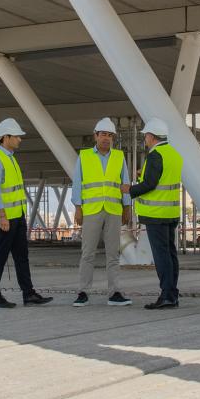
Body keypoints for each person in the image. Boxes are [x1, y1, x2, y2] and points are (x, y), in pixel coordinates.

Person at [0, 118, 52, 308]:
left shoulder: (10, 158)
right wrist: (2, 216)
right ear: (6, 137)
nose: (20, 140)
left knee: (22, 256)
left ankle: (28, 293)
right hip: (4, 218)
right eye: (17, 137)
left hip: (17, 216)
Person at [70, 117, 132, 306]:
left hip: (114, 210)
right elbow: (77, 184)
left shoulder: (119, 157)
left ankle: (115, 293)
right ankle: (83, 292)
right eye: (103, 134)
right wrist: (78, 208)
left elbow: (125, 184)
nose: (106, 138)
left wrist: (127, 207)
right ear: (95, 136)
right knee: (87, 253)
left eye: (109, 135)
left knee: (113, 254)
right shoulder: (85, 156)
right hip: (91, 211)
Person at [129, 119, 183, 310]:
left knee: (162, 257)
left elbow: (150, 184)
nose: (145, 139)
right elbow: (162, 178)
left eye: (146, 136)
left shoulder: (155, 155)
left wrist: (130, 189)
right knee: (170, 254)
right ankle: (172, 294)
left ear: (151, 136)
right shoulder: (174, 154)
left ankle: (167, 295)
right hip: (171, 213)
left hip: (156, 214)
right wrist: (142, 174)